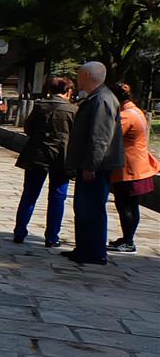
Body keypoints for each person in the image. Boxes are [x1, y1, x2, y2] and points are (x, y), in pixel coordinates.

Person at [64, 61, 124, 266]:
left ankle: (94, 251)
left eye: (80, 75)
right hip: (88, 163)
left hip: (97, 165)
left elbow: (100, 137)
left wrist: (91, 165)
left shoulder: (102, 100)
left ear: (88, 76)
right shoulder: (96, 98)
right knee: (83, 207)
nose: (78, 79)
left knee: (92, 207)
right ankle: (84, 247)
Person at [12, 76, 76, 247]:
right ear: (68, 91)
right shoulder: (73, 110)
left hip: (37, 154)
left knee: (30, 194)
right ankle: (52, 236)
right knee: (57, 197)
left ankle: (20, 231)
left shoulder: (40, 105)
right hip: (61, 157)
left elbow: (28, 128)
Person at [109, 83, 157, 254]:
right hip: (139, 165)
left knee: (125, 205)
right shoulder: (137, 111)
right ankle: (127, 238)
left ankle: (128, 240)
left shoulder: (126, 116)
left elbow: (112, 137)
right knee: (131, 205)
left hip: (129, 168)